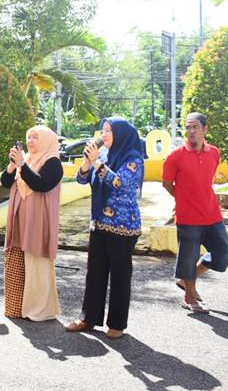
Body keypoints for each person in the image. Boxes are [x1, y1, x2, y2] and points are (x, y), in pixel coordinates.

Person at [66, 117, 144, 339]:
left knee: (119, 275)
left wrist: (98, 162)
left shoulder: (133, 158)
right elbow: (82, 180)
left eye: (109, 130)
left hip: (123, 226)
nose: (104, 134)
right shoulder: (105, 156)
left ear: (121, 134)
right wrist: (87, 162)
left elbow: (120, 183)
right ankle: (89, 318)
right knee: (95, 273)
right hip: (99, 222)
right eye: (103, 130)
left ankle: (117, 324)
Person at [162, 112, 228, 314]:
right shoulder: (175, 156)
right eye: (188, 127)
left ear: (205, 129)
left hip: (212, 213)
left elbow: (206, 179)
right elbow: (167, 183)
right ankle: (190, 297)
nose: (191, 131)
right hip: (188, 216)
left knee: (223, 252)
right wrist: (182, 198)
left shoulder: (214, 153)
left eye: (195, 127)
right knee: (188, 257)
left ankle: (187, 279)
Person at [0, 125, 64, 321]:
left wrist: (22, 165)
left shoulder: (53, 162)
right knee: (16, 259)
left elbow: (41, 184)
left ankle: (38, 310)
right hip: (20, 219)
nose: (30, 141)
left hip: (38, 221)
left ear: (47, 140)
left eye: (35, 137)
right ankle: (16, 307)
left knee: (37, 263)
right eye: (29, 137)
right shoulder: (25, 160)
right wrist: (13, 166)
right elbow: (5, 182)